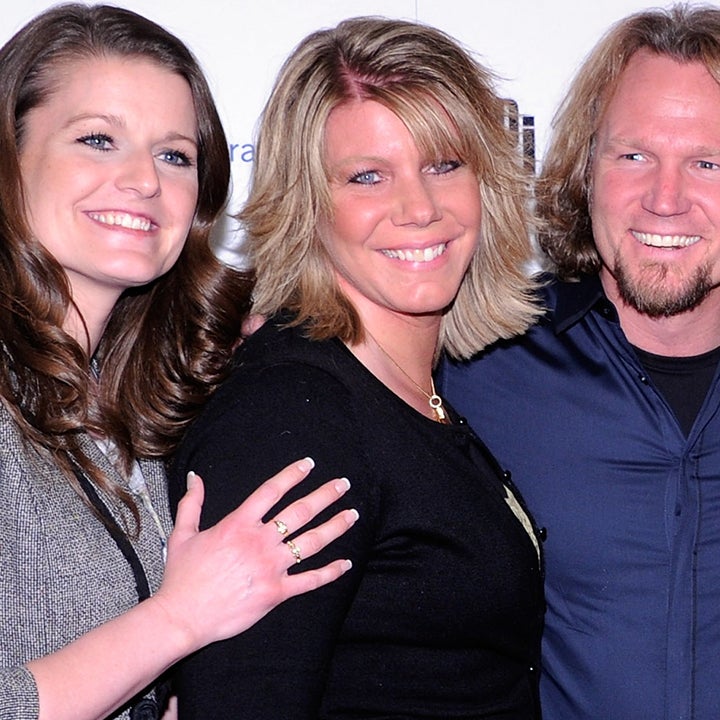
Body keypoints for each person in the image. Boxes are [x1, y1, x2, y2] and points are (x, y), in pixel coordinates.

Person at [168, 16, 545, 720]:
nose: (419, 208)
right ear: (307, 204)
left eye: (444, 164)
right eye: (367, 176)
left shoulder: (406, 393)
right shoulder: (293, 418)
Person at [0, 5, 359, 720]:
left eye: (174, 155)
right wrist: (181, 617)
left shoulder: (139, 401)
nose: (143, 179)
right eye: (98, 139)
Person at [441, 4, 720, 719]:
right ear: (585, 169)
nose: (665, 200)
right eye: (633, 155)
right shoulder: (474, 356)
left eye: (708, 163)